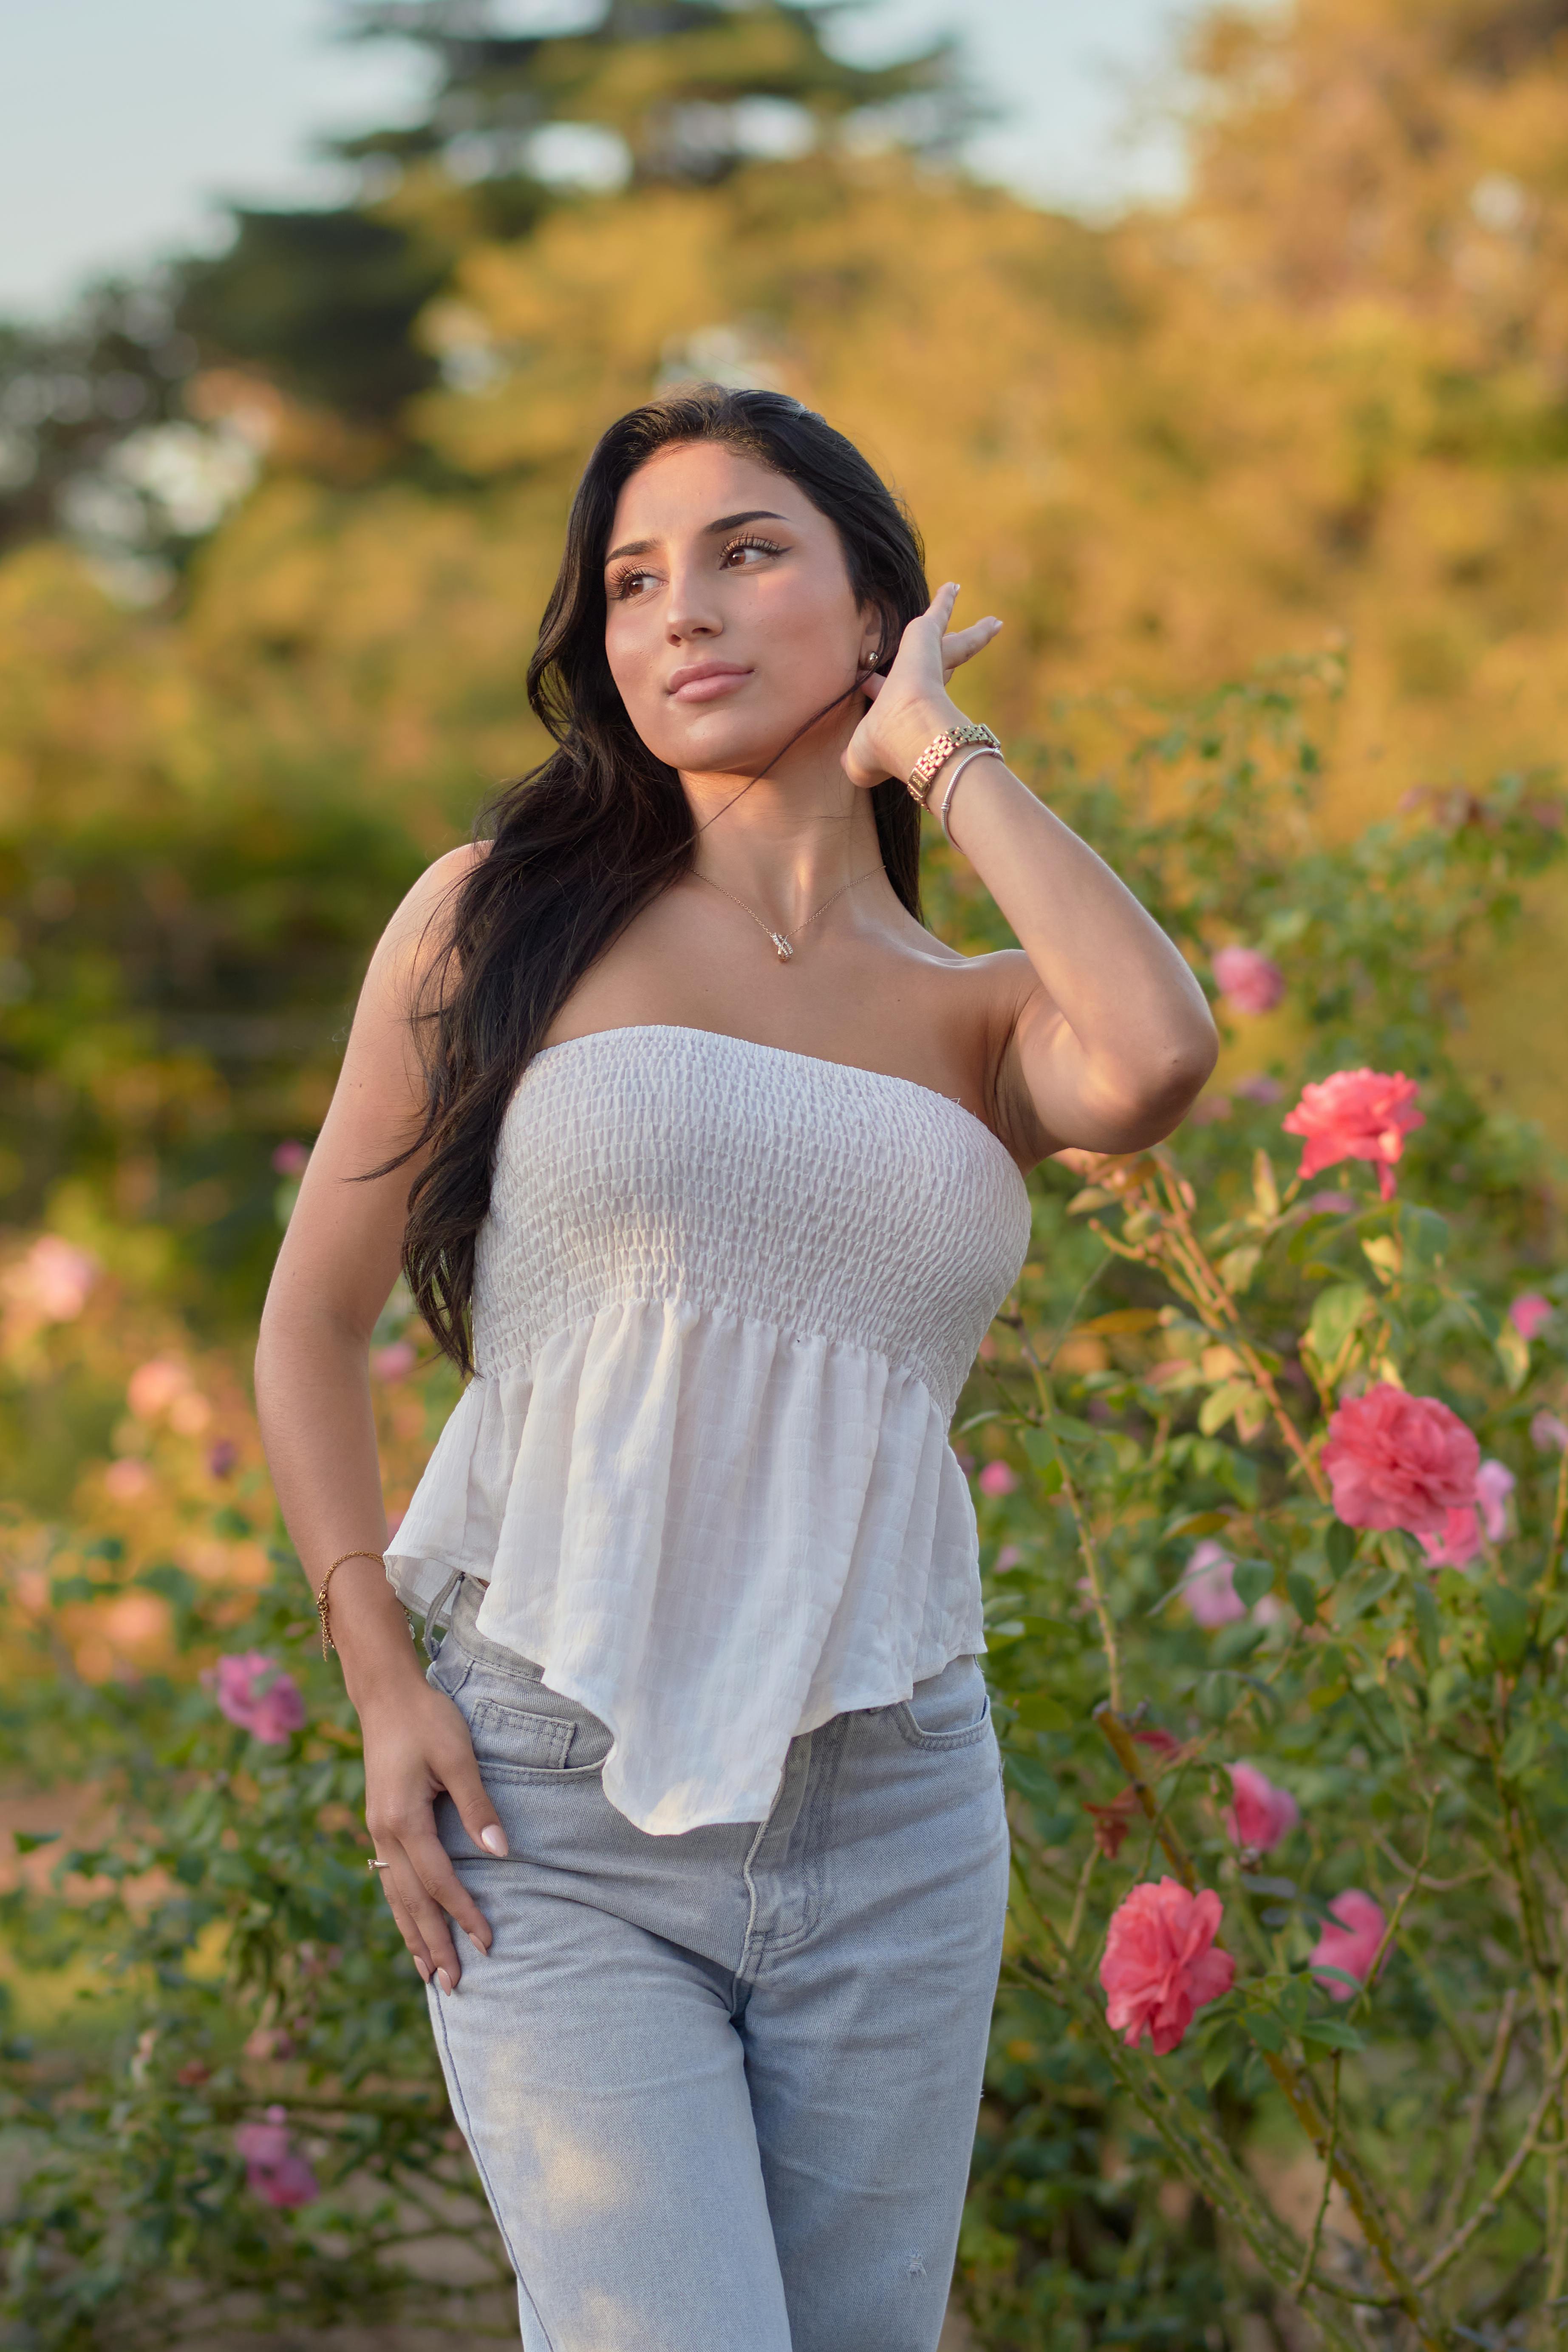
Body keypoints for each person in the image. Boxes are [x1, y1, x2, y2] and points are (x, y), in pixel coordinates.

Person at [255, 384, 1217, 2351]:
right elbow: (306, 1324)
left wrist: (941, 753)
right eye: (630, 578)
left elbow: (1158, 1056)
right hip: (547, 1799)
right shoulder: (495, 920)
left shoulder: (973, 1017)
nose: (676, 610)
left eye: (744, 551)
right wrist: (379, 1687)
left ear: (875, 606)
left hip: (891, 1812)